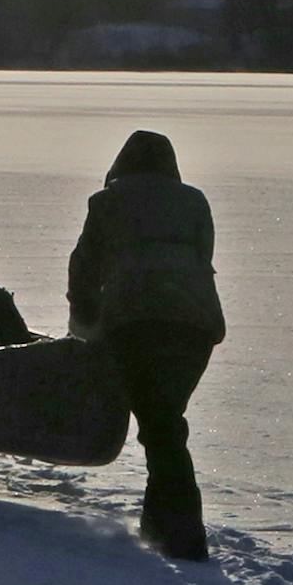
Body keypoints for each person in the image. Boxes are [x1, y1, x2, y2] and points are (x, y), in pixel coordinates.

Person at [67, 130, 227, 560]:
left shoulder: (107, 203)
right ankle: (159, 527)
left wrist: (83, 321)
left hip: (137, 324)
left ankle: (185, 541)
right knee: (163, 422)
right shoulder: (195, 202)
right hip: (196, 328)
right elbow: (202, 258)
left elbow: (84, 267)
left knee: (161, 428)